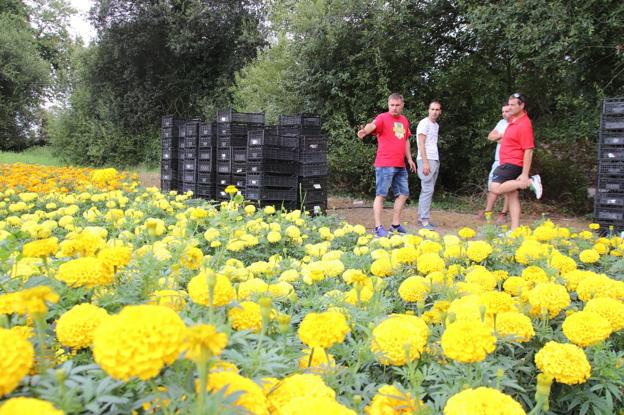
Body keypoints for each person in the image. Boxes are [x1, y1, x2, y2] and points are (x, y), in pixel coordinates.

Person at [357, 93, 417, 237]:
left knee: (403, 194)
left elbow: (406, 140)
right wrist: (365, 130)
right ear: (388, 105)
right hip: (384, 164)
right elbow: (373, 125)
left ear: (402, 105)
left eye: (397, 105)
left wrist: (409, 159)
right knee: (381, 195)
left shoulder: (404, 120)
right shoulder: (382, 118)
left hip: (400, 165)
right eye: (392, 105)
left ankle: (395, 225)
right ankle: (378, 228)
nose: (394, 108)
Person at [489, 92, 543, 230]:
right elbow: (494, 137)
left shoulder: (524, 124)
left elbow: (529, 150)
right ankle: (514, 230)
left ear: (522, 105)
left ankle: (531, 180)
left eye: (513, 105)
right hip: (507, 161)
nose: (510, 107)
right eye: (509, 104)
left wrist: (525, 175)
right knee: (512, 196)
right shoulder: (513, 121)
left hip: (512, 163)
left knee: (494, 187)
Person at [480, 104, 511, 224]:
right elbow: (490, 137)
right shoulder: (502, 123)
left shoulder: (516, 124)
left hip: (510, 161)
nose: (504, 113)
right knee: (492, 186)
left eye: (507, 111)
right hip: (498, 160)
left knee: (509, 189)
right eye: (503, 111)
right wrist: (502, 136)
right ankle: (488, 212)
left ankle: (503, 214)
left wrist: (500, 138)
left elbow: (510, 142)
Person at [415, 100, 442, 230]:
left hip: (434, 159)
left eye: (437, 110)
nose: (434, 112)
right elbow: (421, 143)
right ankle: (425, 221)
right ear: (428, 110)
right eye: (432, 109)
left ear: (440, 112)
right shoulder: (423, 123)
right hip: (426, 160)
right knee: (427, 189)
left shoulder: (435, 125)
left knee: (427, 190)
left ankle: (421, 218)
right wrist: (425, 162)